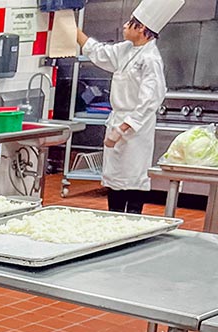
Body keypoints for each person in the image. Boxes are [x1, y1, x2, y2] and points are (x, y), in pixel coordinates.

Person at [76, 0, 183, 213]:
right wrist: (72, 29)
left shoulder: (150, 59)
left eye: (130, 23)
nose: (124, 26)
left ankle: (133, 220)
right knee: (115, 179)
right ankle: (114, 219)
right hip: (117, 121)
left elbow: (149, 101)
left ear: (142, 29)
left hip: (135, 131)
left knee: (133, 178)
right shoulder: (126, 50)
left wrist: (122, 129)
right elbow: (98, 52)